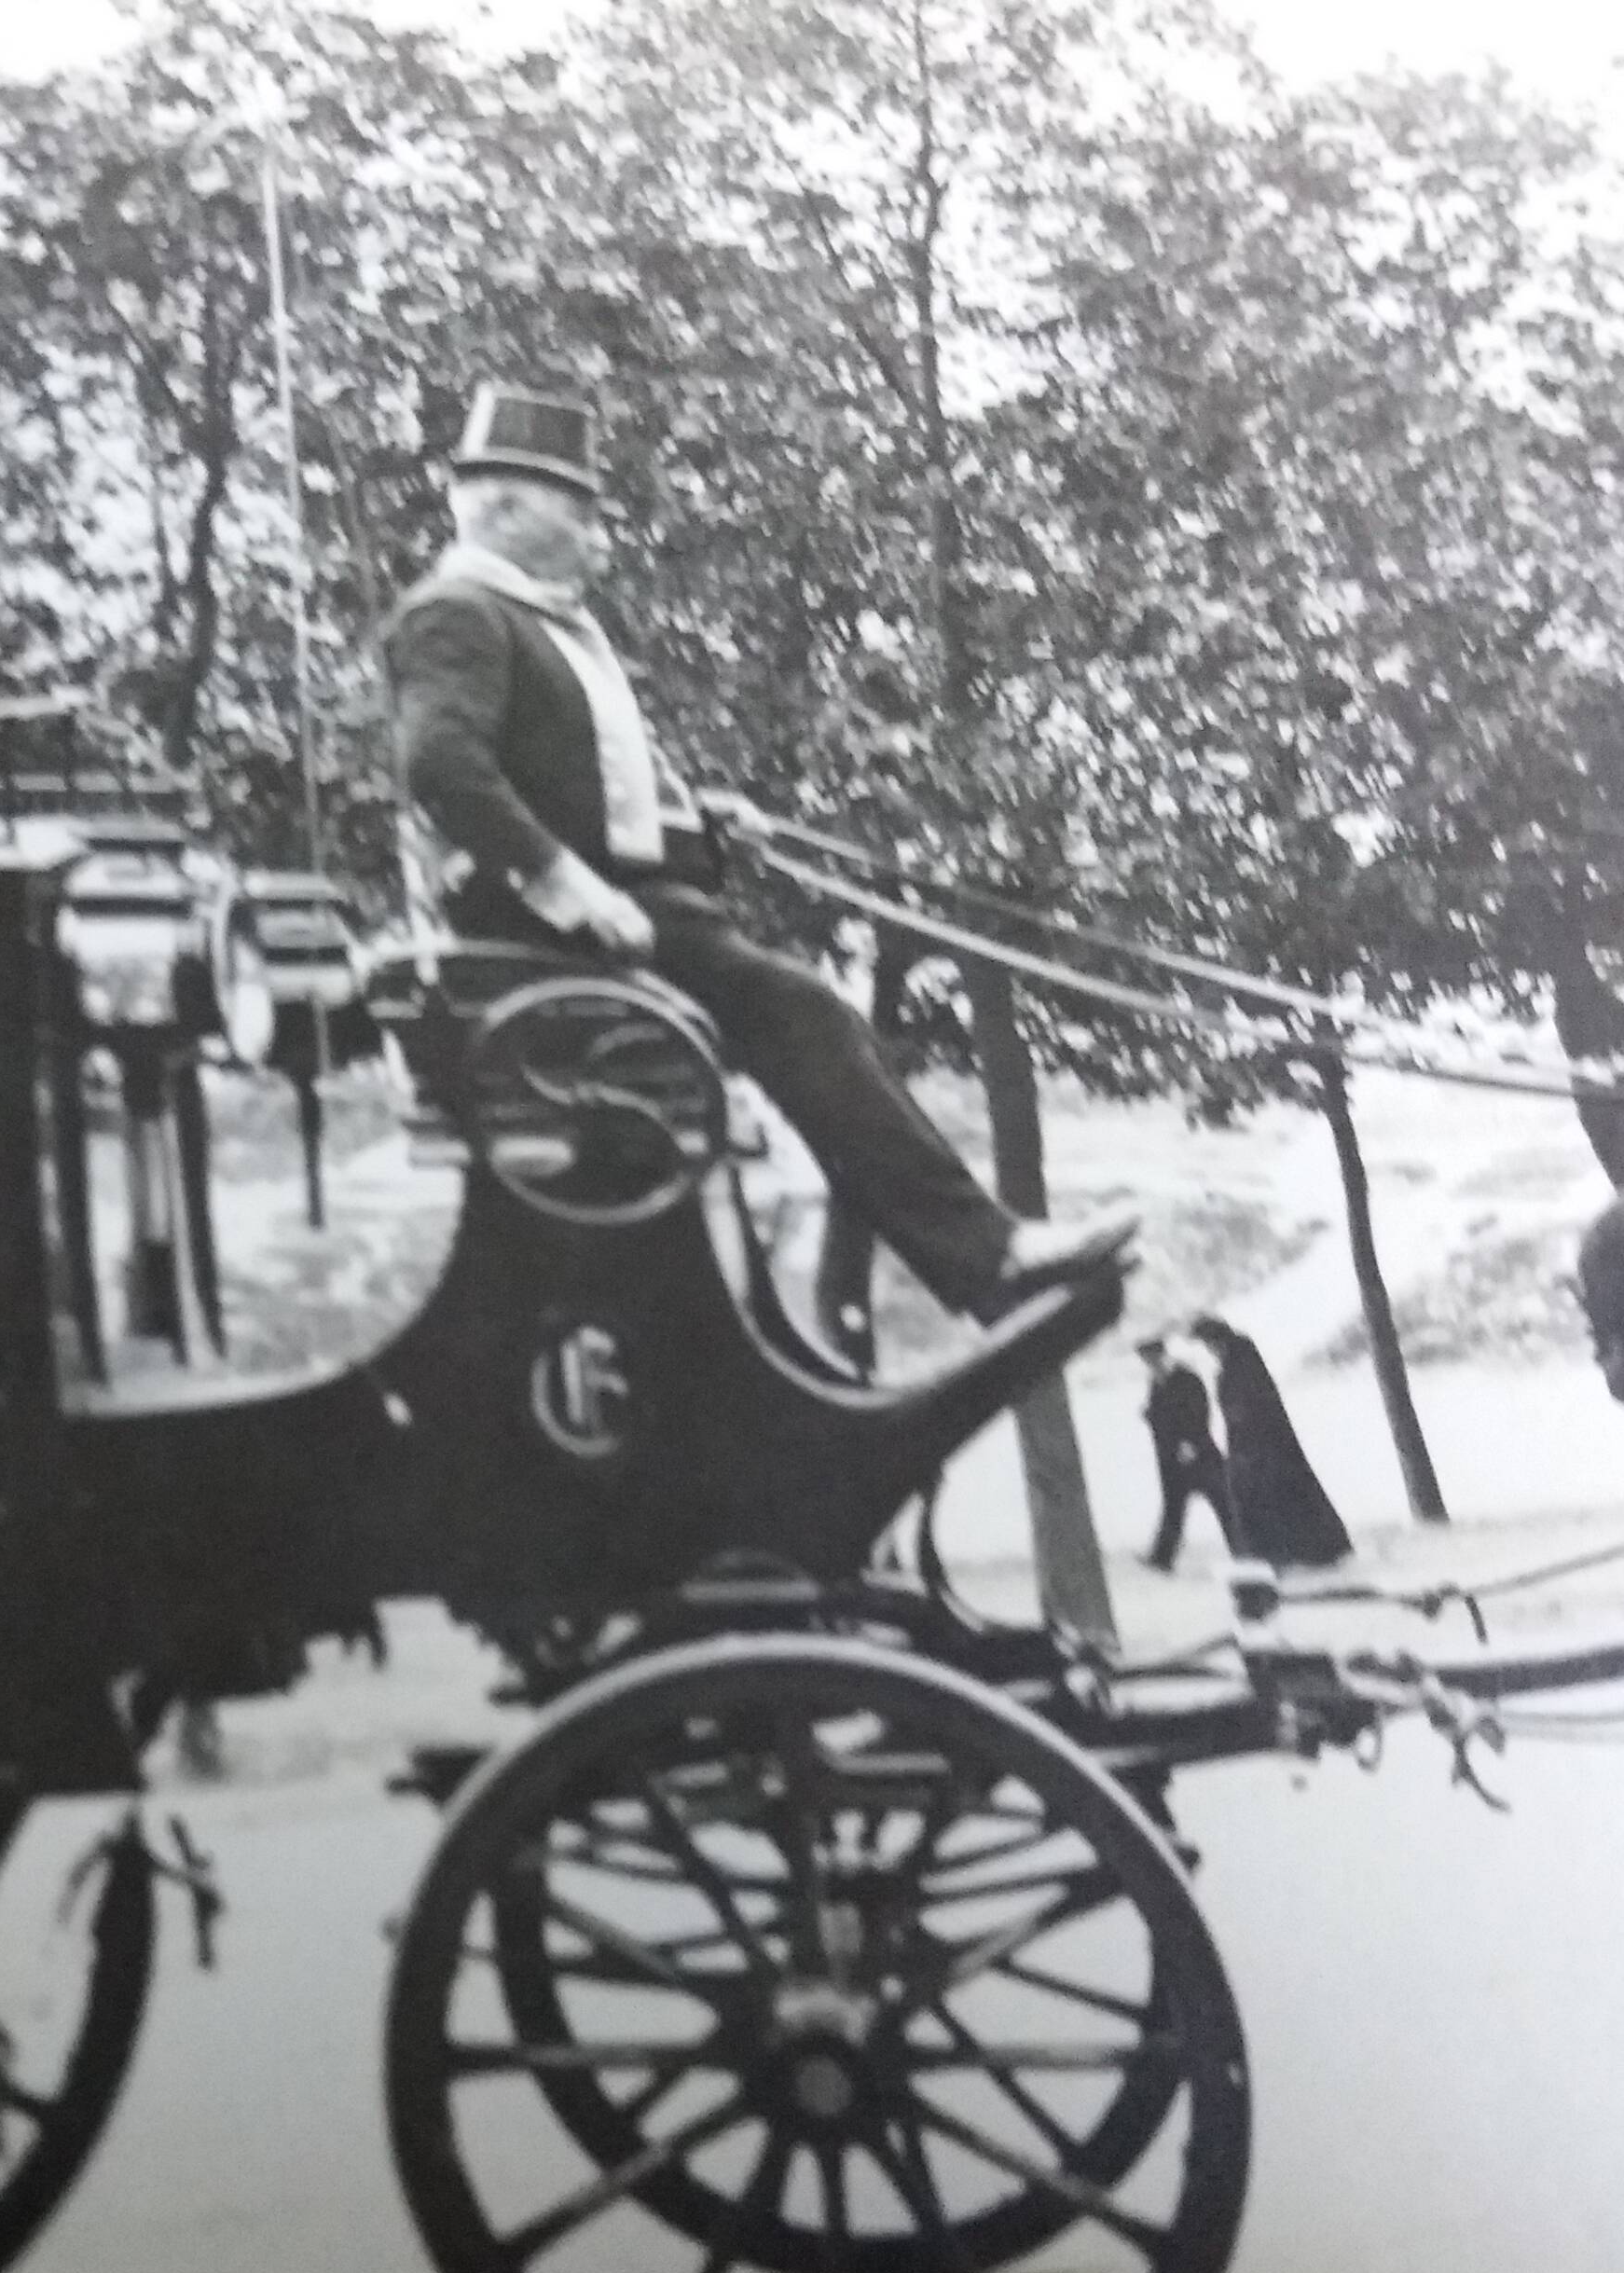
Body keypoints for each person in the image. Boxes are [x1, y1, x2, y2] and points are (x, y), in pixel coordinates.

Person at [385, 382, 1129, 1325]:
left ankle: (956, 1264)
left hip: (626, 918)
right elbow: (442, 767)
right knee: (801, 1012)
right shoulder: (459, 612)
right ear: (503, 509)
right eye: (581, 514)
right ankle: (990, 1259)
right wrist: (569, 887)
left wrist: (698, 822)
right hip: (547, 936)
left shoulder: (537, 620)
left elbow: (584, 795)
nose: (600, 539)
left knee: (817, 1017)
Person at [1191, 1317, 1349, 1569]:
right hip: (1252, 1443)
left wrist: (1242, 1425)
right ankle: (1284, 1552)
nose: (1210, 1350)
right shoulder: (1237, 1360)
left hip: (1262, 1444)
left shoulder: (1241, 1363)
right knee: (1270, 1495)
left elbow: (1251, 1404)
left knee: (1270, 1494)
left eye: (1209, 1343)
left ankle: (1286, 1553)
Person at [1138, 1335, 1236, 1569]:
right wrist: (1150, 1415)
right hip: (1172, 1459)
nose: (1149, 1364)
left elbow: (1200, 1412)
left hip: (1200, 1456)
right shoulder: (1157, 1381)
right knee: (1173, 1509)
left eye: (1151, 1359)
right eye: (1146, 1361)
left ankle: (1246, 1552)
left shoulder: (1186, 1378)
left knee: (1225, 1506)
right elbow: (1164, 1417)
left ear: (1161, 1355)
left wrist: (1191, 1443)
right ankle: (1162, 1559)